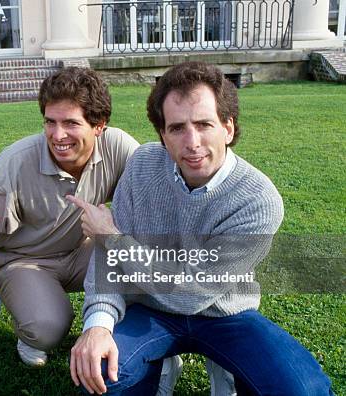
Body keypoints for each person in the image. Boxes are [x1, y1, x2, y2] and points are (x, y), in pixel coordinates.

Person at [0, 67, 232, 395]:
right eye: (50, 121)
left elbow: (159, 179)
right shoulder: (17, 160)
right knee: (49, 328)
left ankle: (157, 349)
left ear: (99, 126)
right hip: (26, 260)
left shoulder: (119, 146)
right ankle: (31, 330)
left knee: (139, 260)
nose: (57, 135)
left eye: (71, 123)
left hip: (84, 249)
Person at [68, 61, 333, 394]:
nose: (192, 141)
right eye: (177, 128)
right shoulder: (142, 165)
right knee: (100, 382)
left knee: (304, 390)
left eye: (204, 124)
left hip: (225, 315)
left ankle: (224, 362)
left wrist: (114, 238)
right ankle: (161, 364)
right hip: (148, 311)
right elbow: (108, 264)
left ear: (228, 128)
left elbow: (190, 293)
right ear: (163, 135)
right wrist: (98, 324)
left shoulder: (259, 200)